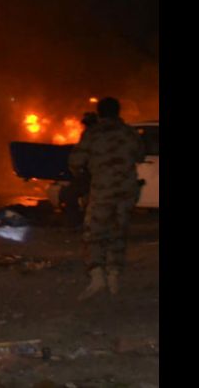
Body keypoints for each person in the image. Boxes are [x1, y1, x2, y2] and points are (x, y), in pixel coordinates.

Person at [68, 98, 145, 300]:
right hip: (127, 191)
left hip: (103, 191)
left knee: (93, 233)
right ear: (118, 112)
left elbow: (75, 162)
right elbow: (140, 155)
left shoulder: (93, 134)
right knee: (118, 232)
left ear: (100, 113)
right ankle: (114, 275)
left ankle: (97, 277)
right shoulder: (129, 132)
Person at [58, 112, 98, 228]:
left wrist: (76, 172)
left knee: (67, 193)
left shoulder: (90, 135)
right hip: (115, 175)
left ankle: (75, 223)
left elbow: (76, 160)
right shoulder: (116, 133)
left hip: (95, 176)